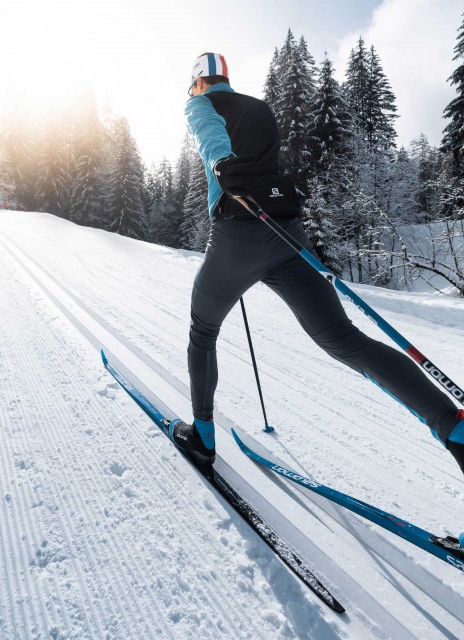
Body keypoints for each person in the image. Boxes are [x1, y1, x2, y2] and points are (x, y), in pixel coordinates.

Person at [169, 52, 464, 474]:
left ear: (198, 81)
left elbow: (208, 134)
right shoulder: (258, 106)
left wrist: (220, 162)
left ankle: (202, 437)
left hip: (239, 236)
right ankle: (454, 429)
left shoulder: (199, 103)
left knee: (203, 330)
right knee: (343, 337)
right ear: (226, 78)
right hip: (287, 234)